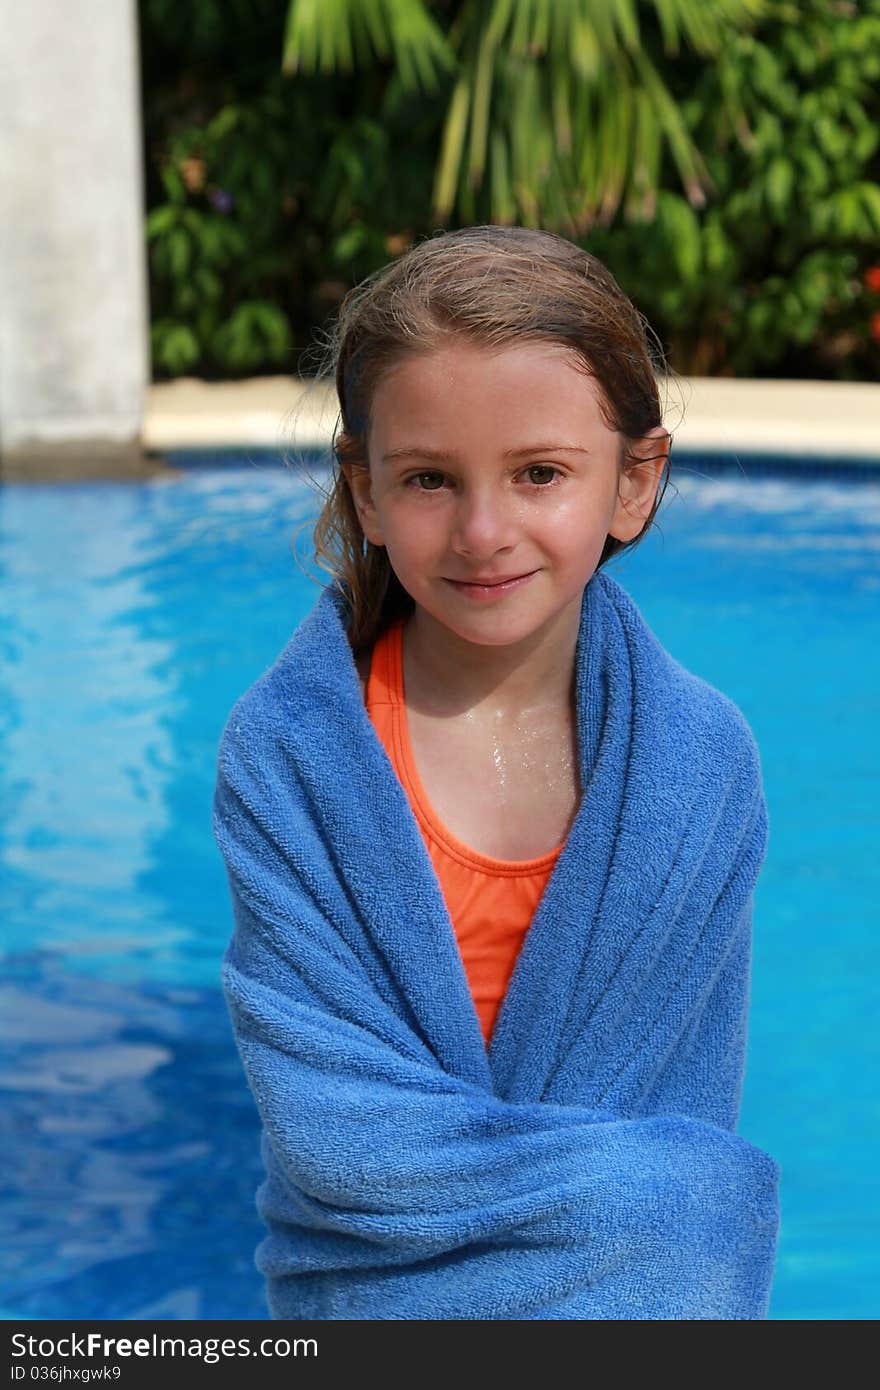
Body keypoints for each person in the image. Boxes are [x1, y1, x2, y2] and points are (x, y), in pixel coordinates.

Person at [213, 225, 780, 1320]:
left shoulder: (700, 766)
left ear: (633, 480)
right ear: (366, 493)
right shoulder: (288, 757)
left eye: (538, 474)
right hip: (363, 1296)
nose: (483, 530)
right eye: (429, 478)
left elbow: (680, 1106)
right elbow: (338, 1136)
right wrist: (650, 1201)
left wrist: (659, 1205)